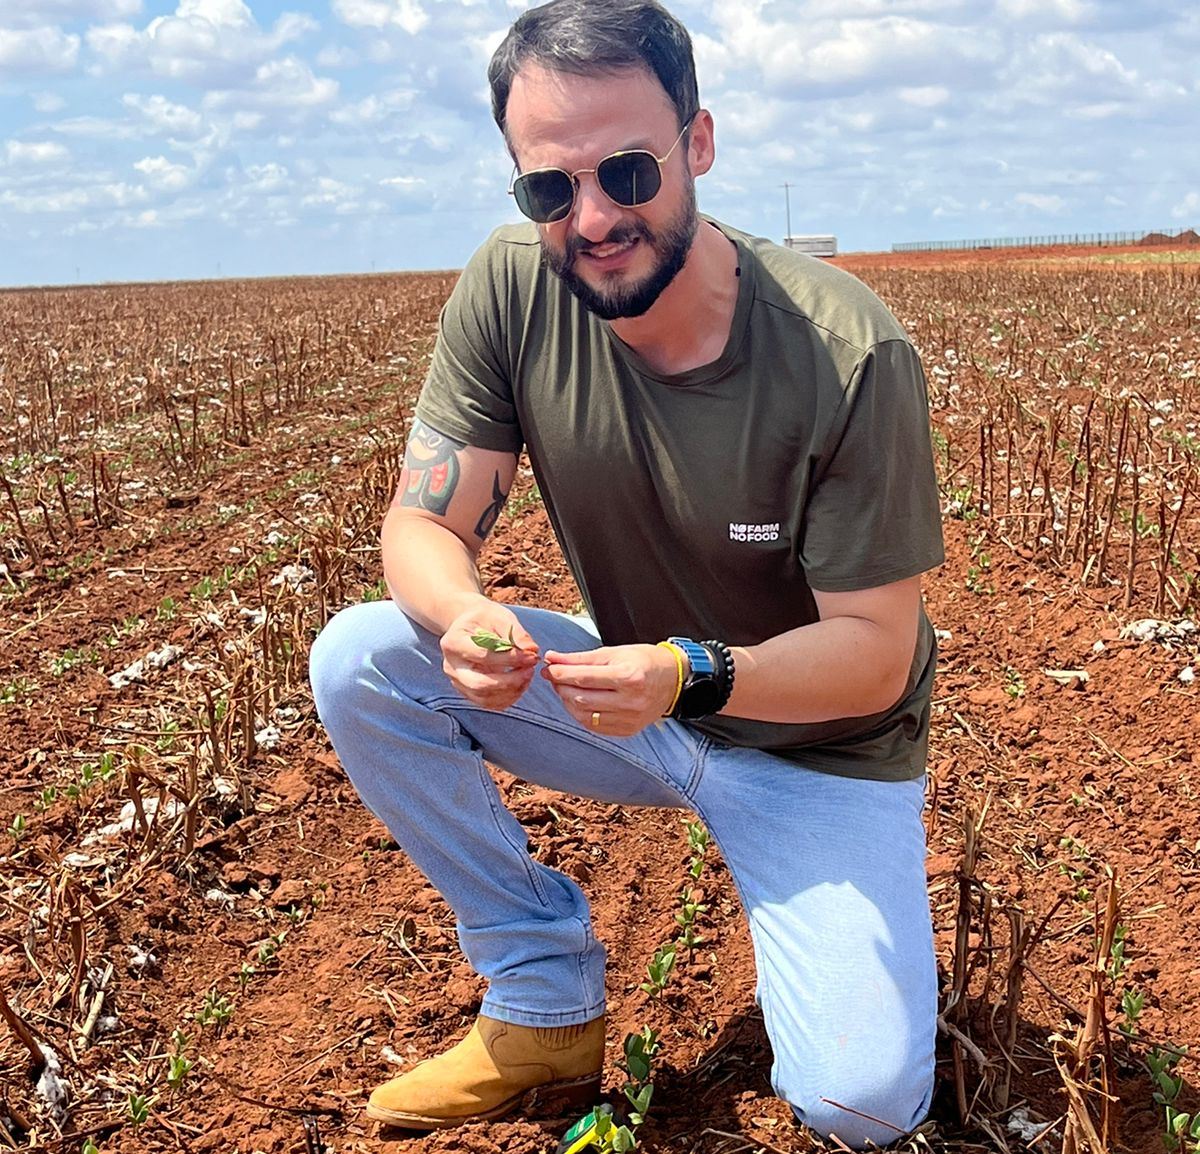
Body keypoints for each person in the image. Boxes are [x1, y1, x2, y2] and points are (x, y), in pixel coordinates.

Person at [309, 0, 945, 1147]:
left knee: (858, 1103)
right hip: (632, 700)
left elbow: (874, 653)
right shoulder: (511, 285)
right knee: (364, 658)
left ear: (698, 144)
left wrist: (685, 671)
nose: (593, 217)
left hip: (819, 749)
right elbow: (420, 521)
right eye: (550, 188)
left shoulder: (846, 350)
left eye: (630, 171)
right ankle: (543, 1003)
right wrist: (461, 616)